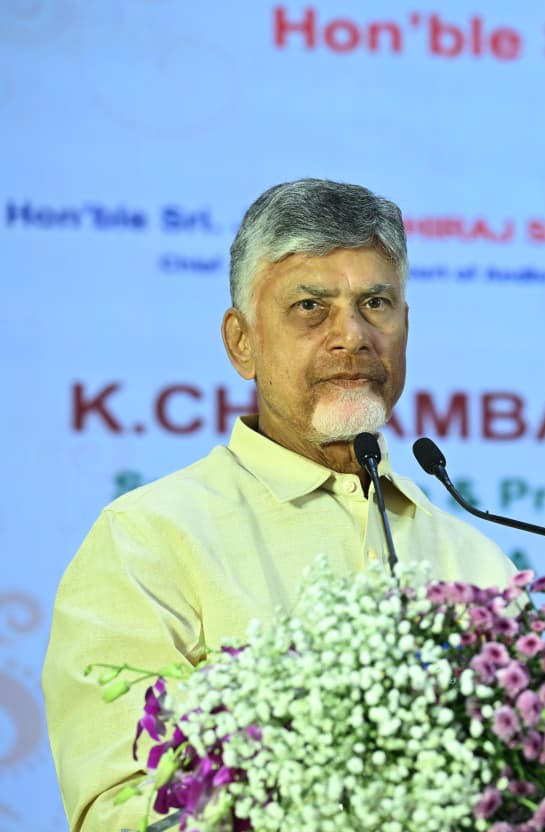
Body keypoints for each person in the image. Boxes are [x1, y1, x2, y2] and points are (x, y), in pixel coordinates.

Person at [42, 179, 516, 832]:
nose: (352, 335)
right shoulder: (148, 539)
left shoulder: (477, 560)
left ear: (406, 326)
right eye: (310, 307)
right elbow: (122, 810)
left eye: (375, 303)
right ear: (242, 342)